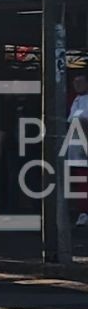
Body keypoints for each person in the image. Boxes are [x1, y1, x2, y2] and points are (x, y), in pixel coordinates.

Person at [68, 73, 88, 226]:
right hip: (75, 148)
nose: (77, 85)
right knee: (79, 181)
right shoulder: (76, 99)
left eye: (80, 82)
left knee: (83, 181)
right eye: (75, 82)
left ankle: (84, 212)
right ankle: (82, 211)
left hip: (82, 148)